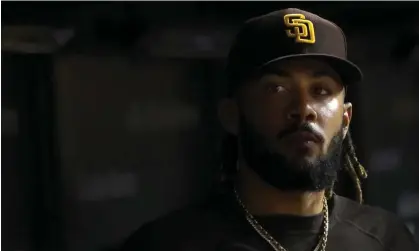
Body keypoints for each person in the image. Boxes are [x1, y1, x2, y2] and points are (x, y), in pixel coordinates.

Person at [120, 8, 418, 251]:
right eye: (277, 88)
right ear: (232, 115)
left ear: (345, 117)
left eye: (322, 90)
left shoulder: (386, 239)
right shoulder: (165, 245)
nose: (303, 108)